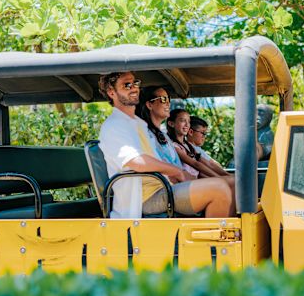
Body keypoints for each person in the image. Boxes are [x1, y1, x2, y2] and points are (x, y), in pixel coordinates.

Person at [98, 72, 234, 218]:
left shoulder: (138, 125)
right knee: (219, 189)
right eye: (127, 85)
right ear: (112, 92)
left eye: (135, 83)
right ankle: (215, 240)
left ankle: (234, 237)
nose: (134, 88)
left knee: (233, 184)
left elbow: (157, 161)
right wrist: (177, 172)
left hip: (164, 187)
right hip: (145, 198)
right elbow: (137, 162)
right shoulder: (114, 125)